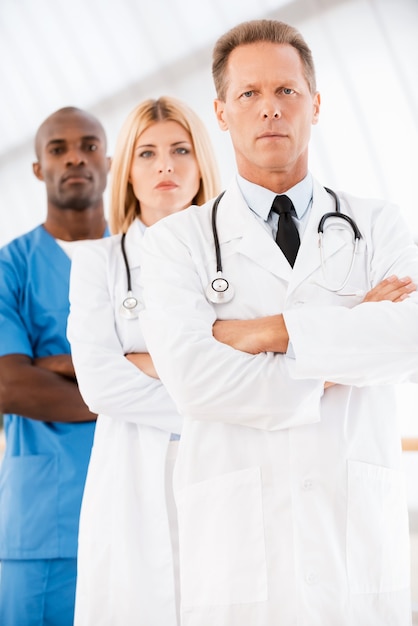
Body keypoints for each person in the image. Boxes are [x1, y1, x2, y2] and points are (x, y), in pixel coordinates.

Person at [138, 19, 418, 626]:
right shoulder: (177, 244)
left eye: (286, 92)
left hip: (357, 553)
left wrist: (268, 332)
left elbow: (410, 338)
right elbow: (193, 381)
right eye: (250, 94)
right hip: (240, 554)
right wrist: (350, 331)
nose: (270, 109)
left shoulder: (379, 224)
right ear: (221, 112)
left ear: (315, 105)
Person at [67, 96, 220, 626]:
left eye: (181, 150)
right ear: (126, 171)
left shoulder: (241, 262)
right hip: (132, 475)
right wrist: (215, 383)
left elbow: (266, 367)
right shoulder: (97, 264)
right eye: (147, 153)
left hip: (224, 468)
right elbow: (101, 384)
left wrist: (150, 359)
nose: (166, 167)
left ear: (202, 163)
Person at [0, 106, 110, 626]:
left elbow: (181, 369)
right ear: (38, 168)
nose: (75, 159)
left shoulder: (143, 258)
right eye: (58, 149)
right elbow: (8, 383)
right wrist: (121, 391)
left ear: (109, 161)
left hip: (131, 507)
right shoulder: (10, 266)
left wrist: (56, 366)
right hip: (42, 519)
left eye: (88, 146)